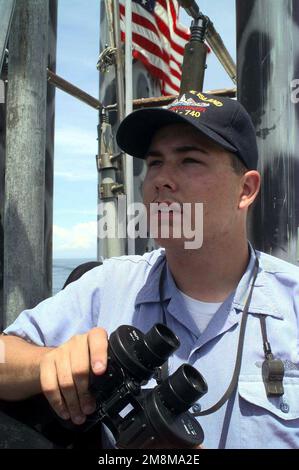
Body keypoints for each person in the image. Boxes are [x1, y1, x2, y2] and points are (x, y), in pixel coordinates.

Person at [1, 90, 299, 449]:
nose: (161, 180)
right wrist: (51, 362)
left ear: (245, 189)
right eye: (155, 163)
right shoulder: (109, 285)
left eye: (190, 160)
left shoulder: (292, 303)